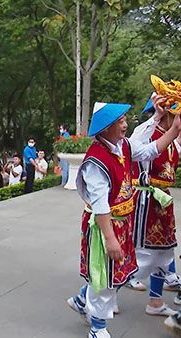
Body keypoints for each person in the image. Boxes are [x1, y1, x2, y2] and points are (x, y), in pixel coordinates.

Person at [66, 101, 181, 338]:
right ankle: (97, 328)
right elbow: (100, 205)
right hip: (104, 226)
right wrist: (110, 240)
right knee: (105, 276)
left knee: (120, 272)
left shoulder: (123, 145)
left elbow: (150, 150)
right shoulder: (96, 161)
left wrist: (173, 131)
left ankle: (81, 300)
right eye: (121, 122)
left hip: (122, 222)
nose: (126, 125)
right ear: (106, 128)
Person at [127, 94, 181, 317]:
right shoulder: (148, 135)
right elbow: (133, 146)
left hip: (163, 202)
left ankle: (156, 301)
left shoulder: (173, 139)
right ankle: (87, 296)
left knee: (164, 254)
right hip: (145, 201)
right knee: (139, 256)